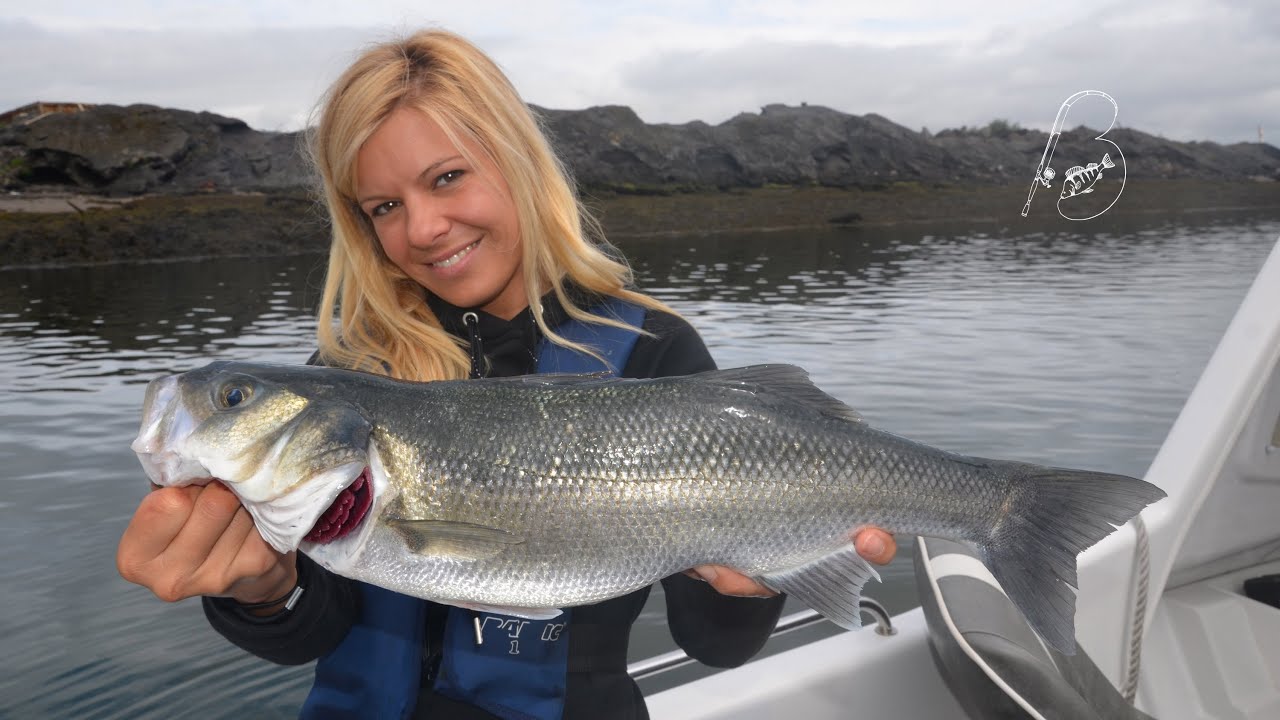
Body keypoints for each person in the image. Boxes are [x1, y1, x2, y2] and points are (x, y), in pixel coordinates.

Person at [116, 29, 897, 720]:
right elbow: (311, 630)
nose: (422, 228)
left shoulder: (654, 350)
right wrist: (258, 589)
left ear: (518, 162)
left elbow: (713, 645)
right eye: (383, 206)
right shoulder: (350, 373)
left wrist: (758, 581)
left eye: (447, 177)